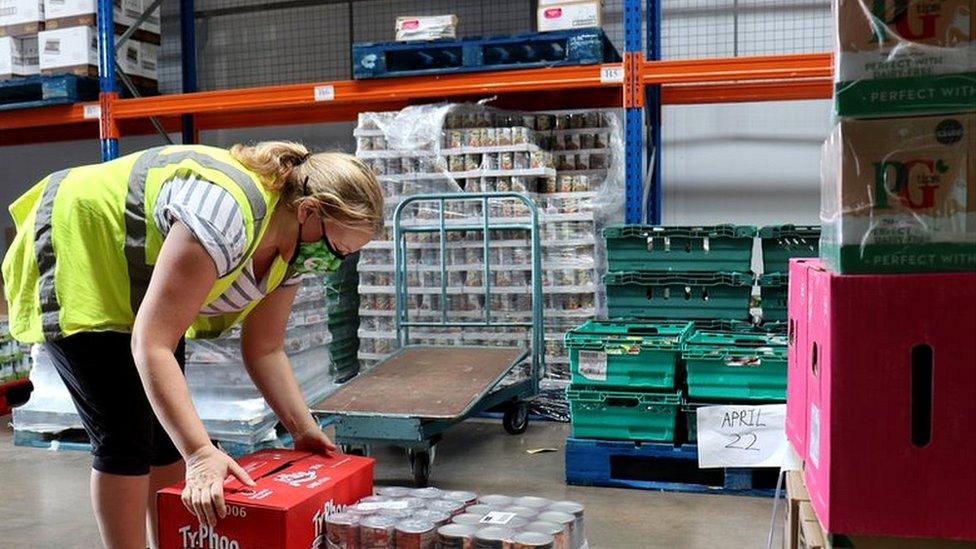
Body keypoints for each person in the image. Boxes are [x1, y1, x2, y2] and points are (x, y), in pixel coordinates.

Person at [2, 141, 384, 549]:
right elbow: (153, 345)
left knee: (167, 436)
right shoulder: (226, 215)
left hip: (135, 275)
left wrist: (303, 429)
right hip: (81, 246)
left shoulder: (292, 253)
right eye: (336, 249)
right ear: (308, 211)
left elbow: (265, 348)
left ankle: (167, 539)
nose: (333, 262)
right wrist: (201, 453)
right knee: (126, 438)